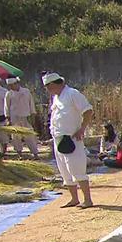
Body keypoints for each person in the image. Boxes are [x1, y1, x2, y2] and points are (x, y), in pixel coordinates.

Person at [43, 72, 94, 209]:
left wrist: (82, 129)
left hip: (72, 138)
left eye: (48, 87)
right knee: (64, 170)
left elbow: (88, 111)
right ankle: (74, 198)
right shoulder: (56, 98)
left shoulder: (72, 93)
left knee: (76, 168)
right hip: (58, 139)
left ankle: (87, 199)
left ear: (54, 84)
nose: (48, 90)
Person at [3, 77, 40, 160]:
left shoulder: (26, 91)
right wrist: (8, 118)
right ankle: (19, 154)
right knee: (16, 137)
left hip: (25, 116)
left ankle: (35, 154)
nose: (11, 87)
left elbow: (31, 103)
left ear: (16, 84)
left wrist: (33, 114)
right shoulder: (9, 94)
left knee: (30, 136)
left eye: (12, 85)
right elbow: (6, 107)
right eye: (9, 86)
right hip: (14, 117)